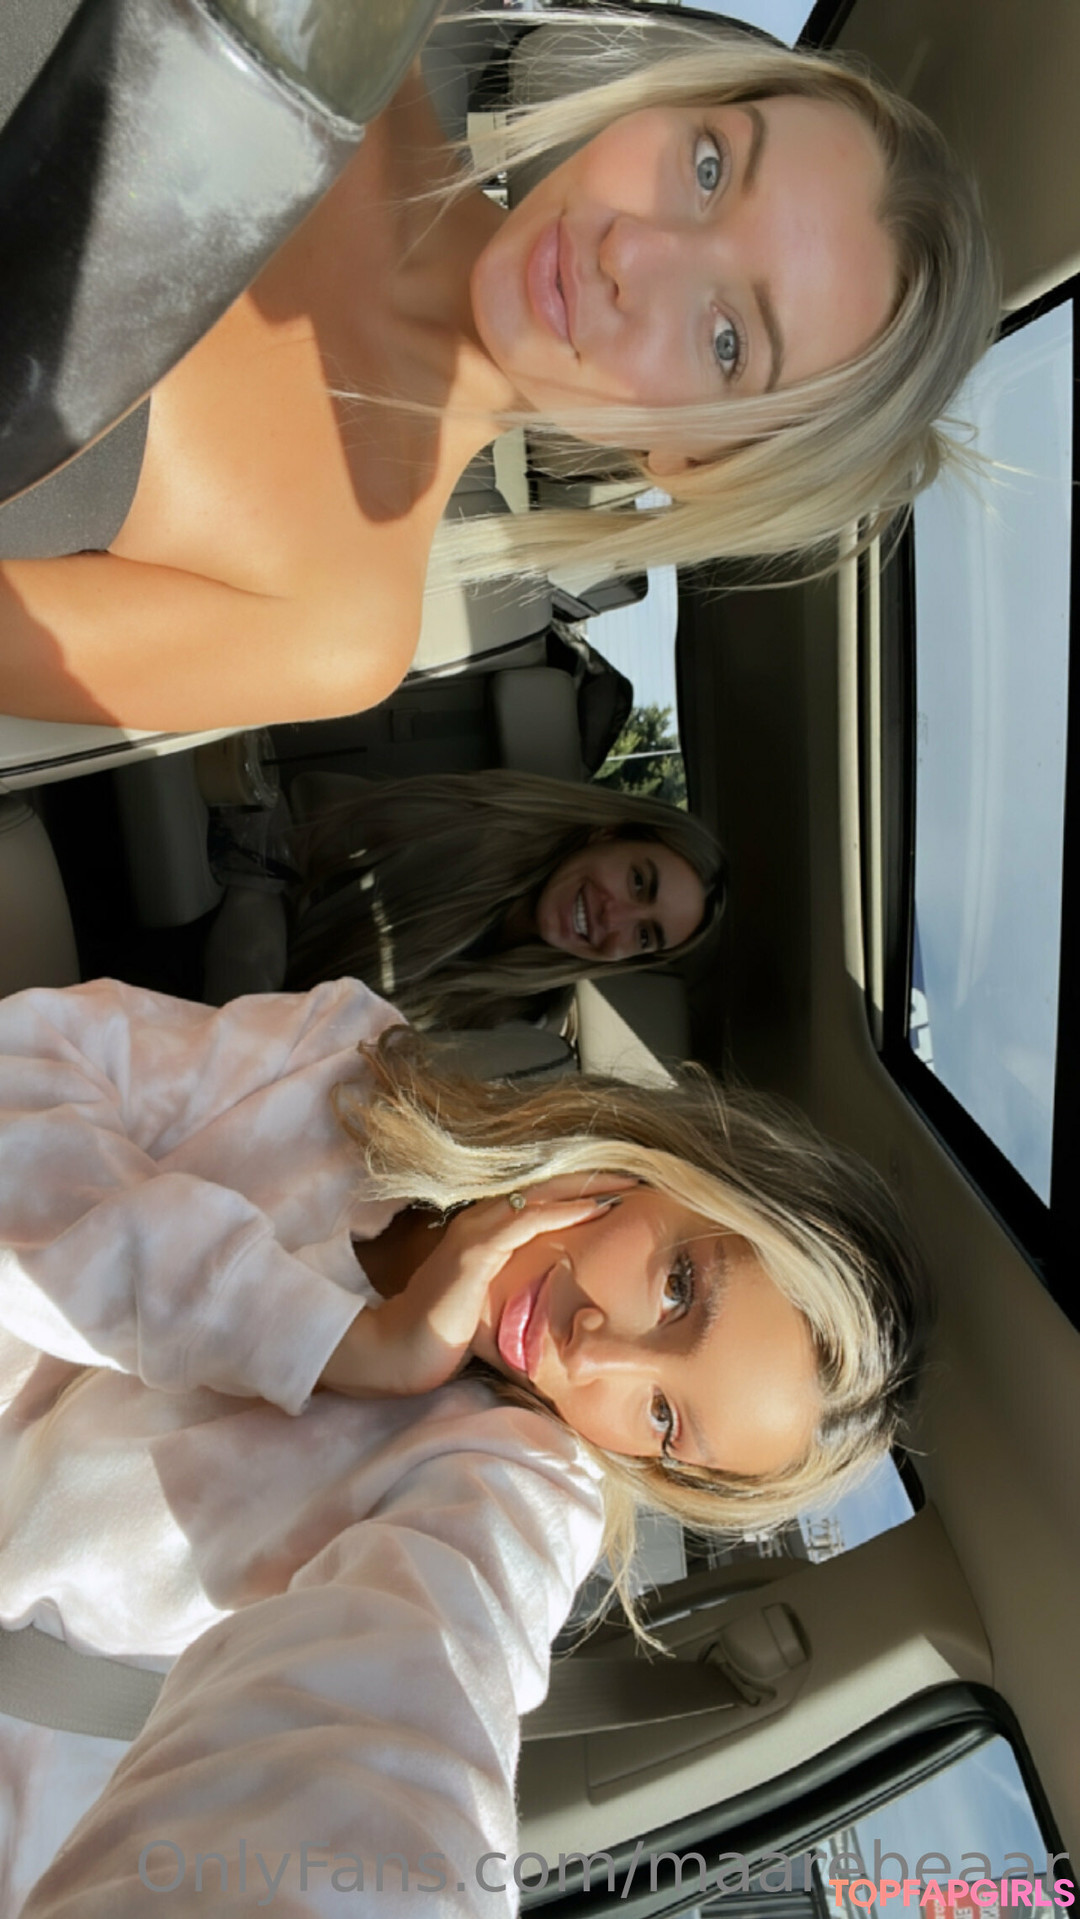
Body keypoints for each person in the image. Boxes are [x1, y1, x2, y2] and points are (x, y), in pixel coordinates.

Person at [0, 974, 926, 1914]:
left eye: (663, 1417)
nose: (593, 1352)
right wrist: (330, 1337)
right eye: (679, 1287)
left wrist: (335, 1345)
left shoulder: (516, 1484)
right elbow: (21, 1062)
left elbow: (407, 1707)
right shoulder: (347, 1062)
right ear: (670, 1168)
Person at [0, 18, 998, 733]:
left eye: (728, 341)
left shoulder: (335, 627)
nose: (634, 251)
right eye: (708, 168)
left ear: (692, 459)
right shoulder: (350, 24)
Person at [280, 770, 726, 1027]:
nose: (615, 919)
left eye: (644, 936)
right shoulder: (470, 831)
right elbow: (295, 845)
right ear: (608, 834)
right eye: (638, 882)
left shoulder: (530, 1015)